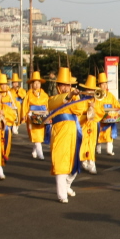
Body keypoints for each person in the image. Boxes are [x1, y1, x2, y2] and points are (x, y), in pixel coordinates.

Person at [48, 67, 89, 203]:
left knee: (75, 164)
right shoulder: (53, 99)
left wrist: (76, 96)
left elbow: (80, 109)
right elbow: (55, 103)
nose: (66, 87)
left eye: (68, 85)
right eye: (63, 85)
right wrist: (69, 96)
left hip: (73, 133)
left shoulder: (74, 99)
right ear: (58, 86)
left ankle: (66, 186)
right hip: (59, 133)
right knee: (61, 163)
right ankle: (61, 194)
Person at [77, 75, 105, 175]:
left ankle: (92, 164)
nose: (90, 92)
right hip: (83, 125)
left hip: (93, 125)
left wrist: (94, 108)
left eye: (92, 90)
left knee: (92, 144)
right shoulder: (81, 101)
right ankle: (84, 162)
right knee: (83, 143)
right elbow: (78, 114)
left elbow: (101, 114)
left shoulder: (97, 101)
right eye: (89, 90)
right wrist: (86, 114)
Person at [95, 71, 120, 157]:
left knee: (109, 135)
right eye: (103, 84)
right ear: (99, 85)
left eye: (106, 84)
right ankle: (98, 149)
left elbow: (116, 104)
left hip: (110, 117)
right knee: (99, 134)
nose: (105, 86)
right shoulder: (97, 95)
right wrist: (102, 113)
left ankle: (109, 150)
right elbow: (96, 106)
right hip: (100, 117)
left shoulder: (110, 95)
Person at [21, 71, 49, 160]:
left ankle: (35, 150)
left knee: (40, 134)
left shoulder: (45, 94)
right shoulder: (28, 94)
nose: (36, 85)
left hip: (43, 114)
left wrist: (49, 114)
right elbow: (24, 105)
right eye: (35, 83)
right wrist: (24, 115)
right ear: (32, 84)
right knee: (36, 134)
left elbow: (48, 105)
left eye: (38, 83)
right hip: (32, 114)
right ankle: (40, 154)